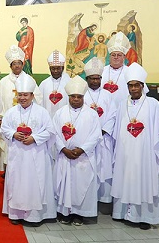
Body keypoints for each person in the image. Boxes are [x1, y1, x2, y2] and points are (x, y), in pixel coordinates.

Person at [111, 63, 159, 230]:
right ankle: (124, 214)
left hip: (146, 152)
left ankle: (145, 217)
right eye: (131, 85)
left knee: (144, 181)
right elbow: (117, 130)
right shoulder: (122, 104)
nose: (134, 88)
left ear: (143, 86)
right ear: (127, 87)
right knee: (126, 178)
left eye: (137, 85)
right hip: (125, 152)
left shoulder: (152, 104)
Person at [0, 73, 56, 226]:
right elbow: (4, 129)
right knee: (16, 182)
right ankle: (16, 214)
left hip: (35, 155)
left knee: (35, 183)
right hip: (17, 155)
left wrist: (35, 138)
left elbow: (50, 131)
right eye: (20, 95)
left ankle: (34, 216)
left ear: (32, 95)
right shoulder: (11, 112)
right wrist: (13, 134)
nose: (23, 98)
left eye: (25, 95)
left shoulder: (42, 112)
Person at [53, 75, 102, 226]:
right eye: (73, 96)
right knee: (65, 185)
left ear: (83, 97)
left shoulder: (92, 114)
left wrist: (81, 149)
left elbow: (96, 135)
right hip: (65, 157)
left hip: (83, 158)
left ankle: (79, 214)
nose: (76, 99)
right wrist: (63, 149)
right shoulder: (59, 113)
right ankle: (65, 213)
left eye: (79, 97)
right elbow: (54, 133)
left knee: (82, 185)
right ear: (68, 97)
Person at [0, 45, 42, 175]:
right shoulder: (4, 82)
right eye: (14, 64)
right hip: (9, 120)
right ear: (10, 66)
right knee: (8, 147)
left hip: (27, 119)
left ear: (22, 64)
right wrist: (0, 118)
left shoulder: (29, 79)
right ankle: (8, 172)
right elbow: (0, 102)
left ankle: (26, 171)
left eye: (19, 63)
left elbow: (38, 97)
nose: (17, 66)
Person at [83, 57, 116, 208]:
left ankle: (104, 199)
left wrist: (103, 131)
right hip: (86, 140)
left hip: (103, 139)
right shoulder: (81, 94)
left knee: (104, 168)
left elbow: (112, 115)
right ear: (87, 78)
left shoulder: (108, 95)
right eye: (92, 78)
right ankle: (88, 198)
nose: (95, 81)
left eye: (98, 78)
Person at [101, 31, 133, 105]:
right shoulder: (102, 71)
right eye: (113, 55)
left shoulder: (130, 72)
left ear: (124, 57)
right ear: (109, 56)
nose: (116, 57)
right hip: (105, 107)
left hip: (124, 108)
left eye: (119, 55)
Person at [39, 50, 71, 118]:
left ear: (62, 68)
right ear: (49, 68)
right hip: (47, 119)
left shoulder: (69, 83)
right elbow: (40, 104)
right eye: (53, 68)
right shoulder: (44, 84)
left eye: (58, 68)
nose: (55, 71)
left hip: (65, 119)